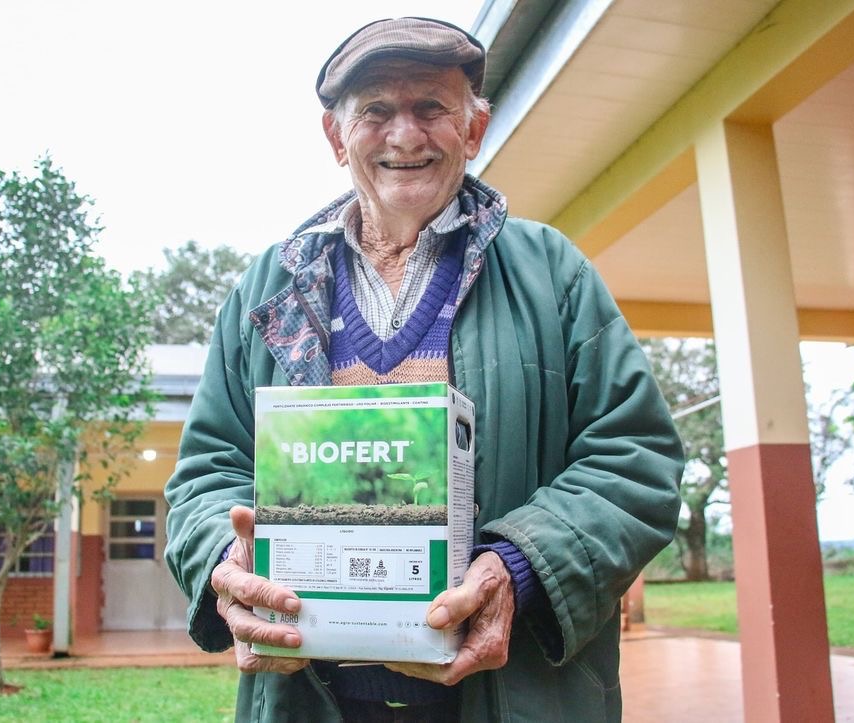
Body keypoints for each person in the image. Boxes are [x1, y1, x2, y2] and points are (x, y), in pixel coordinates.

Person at [165, 17, 683, 722]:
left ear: (473, 130)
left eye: (431, 108)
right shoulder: (270, 288)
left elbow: (636, 459)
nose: (405, 135)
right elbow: (206, 471)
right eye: (376, 111)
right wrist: (229, 561)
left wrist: (518, 568)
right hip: (311, 700)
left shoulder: (551, 271)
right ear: (336, 137)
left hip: (510, 697)